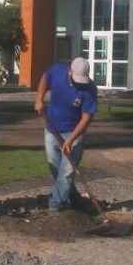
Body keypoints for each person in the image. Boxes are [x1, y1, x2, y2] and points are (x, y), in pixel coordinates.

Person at [34, 57, 98, 212]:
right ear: (69, 71)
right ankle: (73, 196)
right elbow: (45, 77)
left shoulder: (90, 89)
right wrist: (39, 99)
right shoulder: (57, 71)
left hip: (74, 133)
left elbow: (86, 118)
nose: (79, 83)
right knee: (56, 169)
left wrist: (71, 140)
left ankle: (55, 206)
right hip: (51, 129)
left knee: (66, 172)